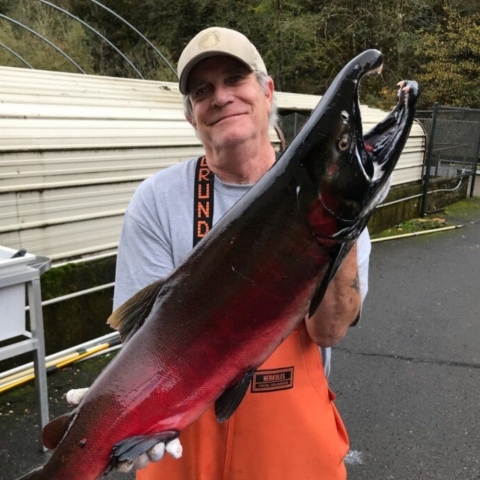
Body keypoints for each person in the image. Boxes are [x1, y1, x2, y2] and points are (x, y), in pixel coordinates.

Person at [75, 26, 371, 479]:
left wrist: (343, 224)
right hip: (181, 447)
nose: (221, 96)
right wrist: (113, 416)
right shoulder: (158, 200)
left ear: (267, 91)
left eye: (236, 79)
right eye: (202, 90)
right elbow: (141, 341)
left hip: (292, 454)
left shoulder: (329, 195)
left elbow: (328, 331)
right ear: (191, 116)